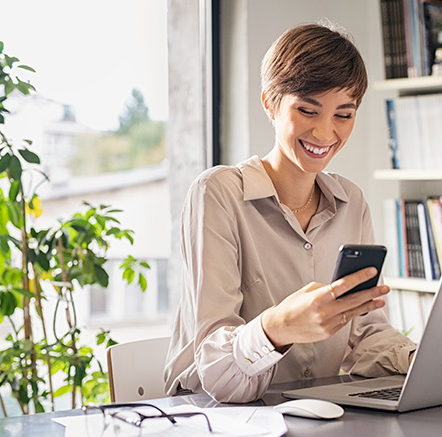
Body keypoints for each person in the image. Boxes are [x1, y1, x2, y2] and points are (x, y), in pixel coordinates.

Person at [163, 21, 416, 403]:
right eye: (307, 110)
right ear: (270, 103)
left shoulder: (352, 202)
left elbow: (367, 333)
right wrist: (278, 327)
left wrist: (420, 359)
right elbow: (213, 366)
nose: (325, 133)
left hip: (308, 415)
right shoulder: (218, 193)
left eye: (343, 115)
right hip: (210, 417)